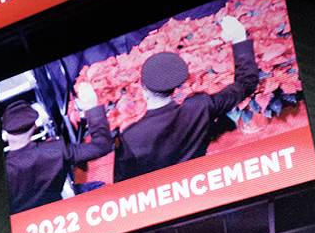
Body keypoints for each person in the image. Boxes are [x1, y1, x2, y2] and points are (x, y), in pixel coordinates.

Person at [112, 14, 261, 182]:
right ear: (176, 86)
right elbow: (247, 82)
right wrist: (239, 38)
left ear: (143, 88)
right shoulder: (200, 106)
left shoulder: (132, 136)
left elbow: (122, 187)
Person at [2, 81, 113, 213]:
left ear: (6, 135)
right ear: (35, 127)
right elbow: (101, 146)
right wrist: (92, 107)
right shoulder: (54, 151)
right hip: (59, 211)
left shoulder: (0, 172)